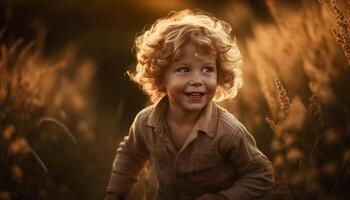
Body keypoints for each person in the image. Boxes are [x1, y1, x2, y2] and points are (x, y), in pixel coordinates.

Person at [105, 9, 274, 200]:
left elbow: (262, 174)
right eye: (184, 69)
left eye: (207, 69)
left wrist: (224, 198)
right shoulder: (145, 122)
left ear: (220, 75)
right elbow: (131, 154)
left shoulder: (228, 131)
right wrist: (115, 194)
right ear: (161, 77)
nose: (197, 80)